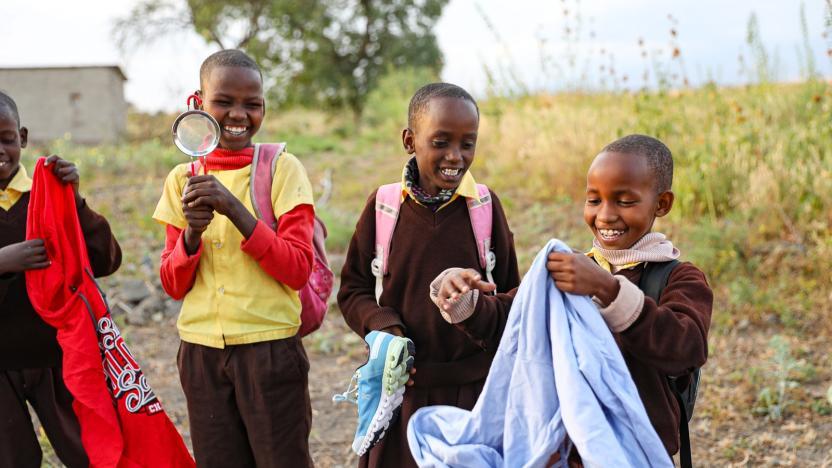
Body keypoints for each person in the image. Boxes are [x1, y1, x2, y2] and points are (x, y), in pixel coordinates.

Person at [435, 134, 713, 461]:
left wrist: (608, 289)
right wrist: (464, 300)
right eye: (594, 200)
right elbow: (511, 322)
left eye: (625, 201)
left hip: (638, 451)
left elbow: (687, 347)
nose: (606, 215)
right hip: (571, 451)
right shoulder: (572, 269)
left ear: (661, 204)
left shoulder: (677, 277)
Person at [337, 82, 521, 468]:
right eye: (440, 142)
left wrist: (475, 305)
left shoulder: (484, 208)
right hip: (400, 397)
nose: (455, 156)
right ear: (409, 140)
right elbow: (353, 290)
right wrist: (384, 326)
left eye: (467, 143)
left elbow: (511, 298)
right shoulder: (384, 207)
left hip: (473, 395)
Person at [152, 50, 315, 467]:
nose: (238, 114)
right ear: (197, 104)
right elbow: (173, 284)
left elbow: (297, 268)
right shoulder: (180, 179)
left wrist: (236, 211)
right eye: (224, 101)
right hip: (201, 352)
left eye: (252, 103)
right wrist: (191, 231)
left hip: (270, 349)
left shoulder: (282, 169)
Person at [0, 90, 122, 468]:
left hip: (57, 354)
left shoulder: (46, 195)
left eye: (4, 139)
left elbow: (105, 260)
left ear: (21, 137)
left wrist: (75, 199)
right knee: (12, 456)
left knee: (86, 450)